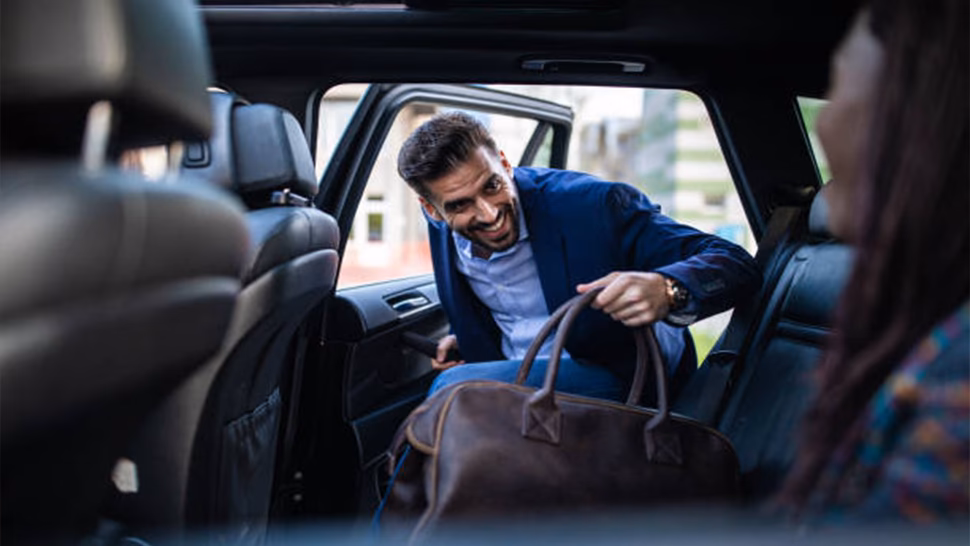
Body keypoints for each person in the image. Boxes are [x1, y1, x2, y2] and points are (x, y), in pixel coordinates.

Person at [397, 111, 761, 402]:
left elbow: (735, 262)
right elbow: (505, 305)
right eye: (460, 205)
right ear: (431, 209)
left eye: (492, 186)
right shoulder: (442, 225)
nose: (489, 213)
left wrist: (668, 289)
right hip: (517, 377)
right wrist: (469, 338)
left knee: (454, 391)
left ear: (505, 164)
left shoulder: (594, 206)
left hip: (613, 375)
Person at [778, 0, 969, 521]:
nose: (824, 120)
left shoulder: (961, 374)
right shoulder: (926, 320)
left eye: (835, 85)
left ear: (916, 120)